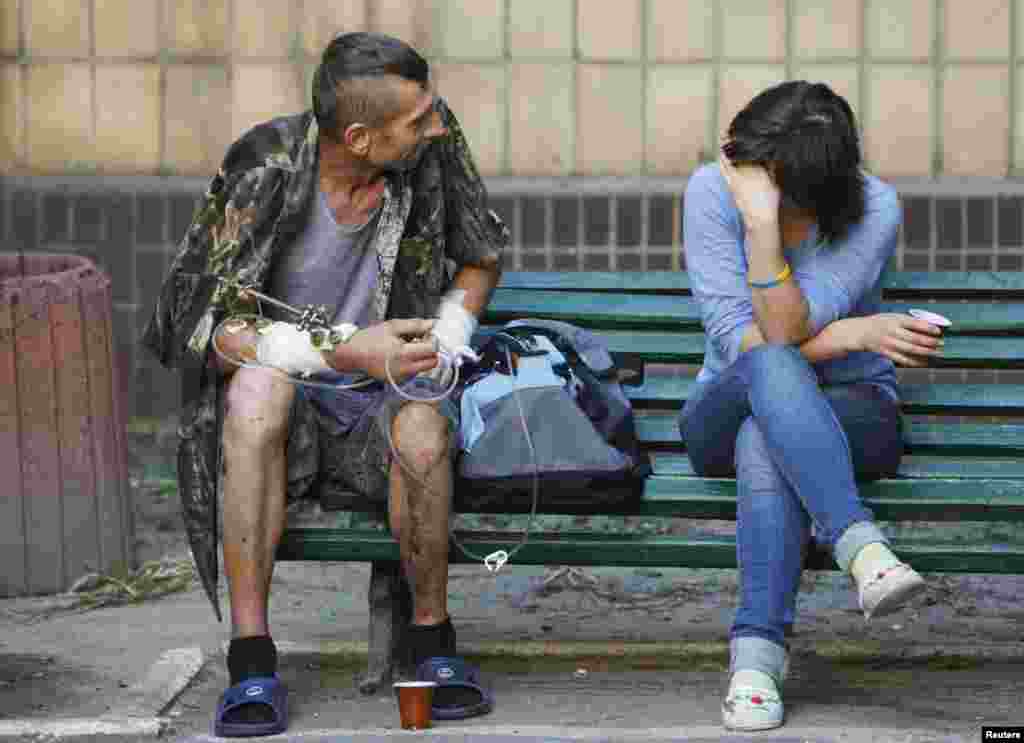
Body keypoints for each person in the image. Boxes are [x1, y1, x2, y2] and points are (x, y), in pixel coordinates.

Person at [141, 32, 507, 737]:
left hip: (388, 396)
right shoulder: (266, 167)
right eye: (419, 120)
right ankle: (251, 661)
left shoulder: (433, 147)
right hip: (292, 409)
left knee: (426, 417)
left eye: (433, 113)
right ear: (361, 137)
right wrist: (343, 350)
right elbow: (200, 328)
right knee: (254, 391)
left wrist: (449, 335)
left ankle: (431, 645)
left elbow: (481, 255)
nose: (437, 125)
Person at [679, 81, 939, 732]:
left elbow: (789, 326)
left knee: (765, 435)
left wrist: (767, 240)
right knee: (768, 369)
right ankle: (863, 548)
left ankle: (756, 663)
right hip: (726, 400)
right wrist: (852, 331)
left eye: (781, 198)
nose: (760, 196)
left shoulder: (874, 207)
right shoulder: (712, 192)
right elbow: (748, 338)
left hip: (855, 412)